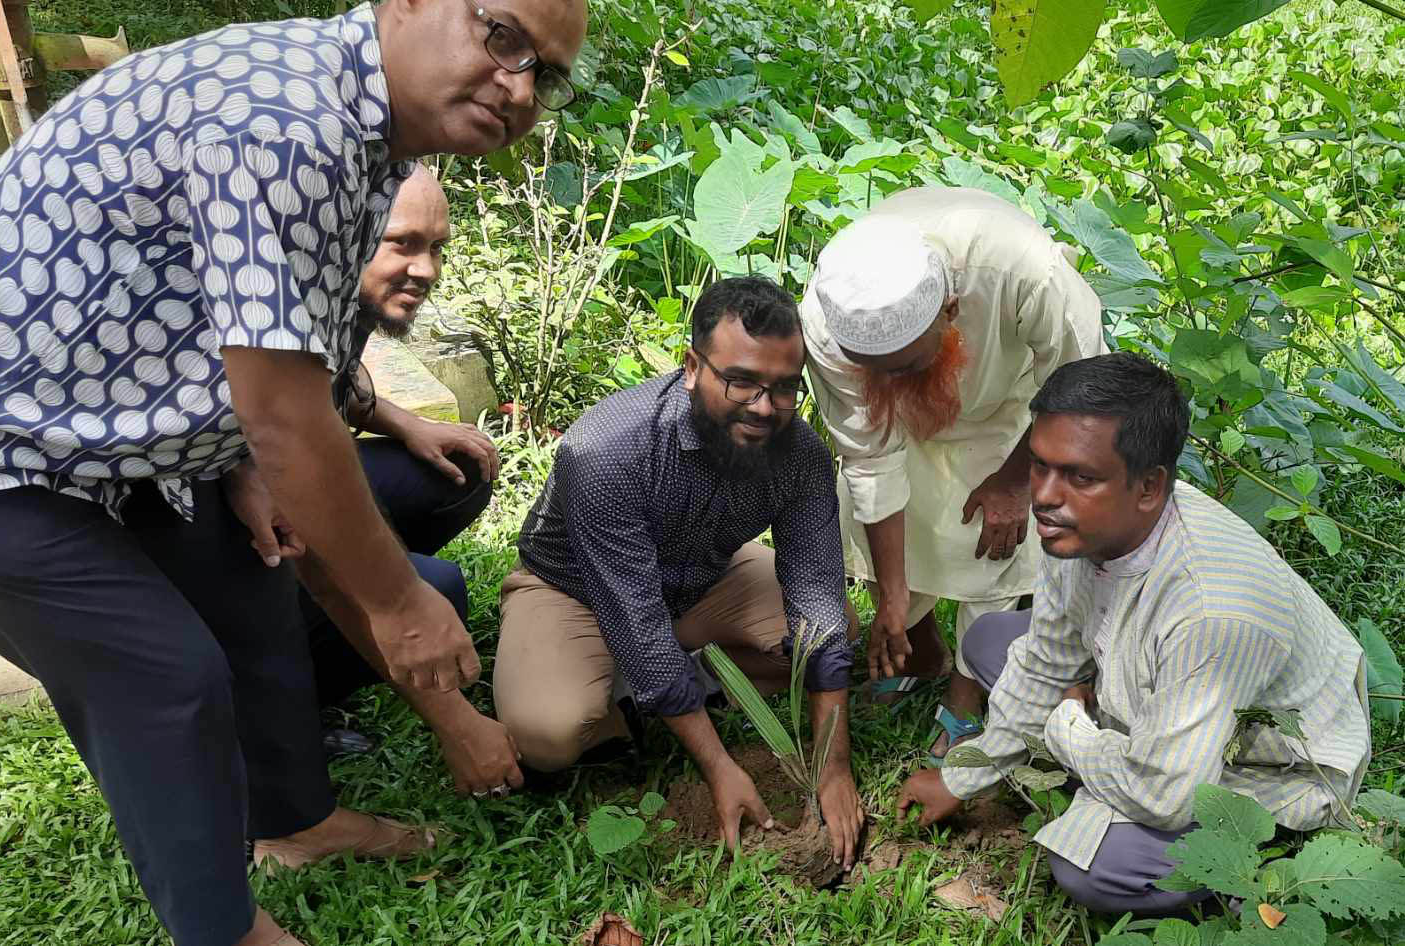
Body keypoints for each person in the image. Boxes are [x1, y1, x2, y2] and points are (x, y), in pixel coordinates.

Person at [0, 0, 586, 943]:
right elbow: (287, 418)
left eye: (547, 71)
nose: (519, 84)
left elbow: (278, 376)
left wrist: (250, 459)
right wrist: (403, 606)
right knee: (162, 675)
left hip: (94, 426)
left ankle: (297, 822)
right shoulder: (289, 122)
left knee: (251, 585)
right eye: (502, 37)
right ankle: (222, 930)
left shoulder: (364, 140)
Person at [896, 353, 1371, 915]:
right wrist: (962, 778)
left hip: (1266, 764)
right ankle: (1105, 751)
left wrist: (1068, 726)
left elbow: (1165, 796)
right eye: (1040, 465)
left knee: (1096, 869)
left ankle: (1255, 860)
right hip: (1160, 693)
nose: (1045, 496)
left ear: (1149, 488)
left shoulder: (1214, 611)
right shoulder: (1076, 522)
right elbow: (1046, 661)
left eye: (1079, 476)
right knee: (994, 639)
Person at [493, 276, 866, 870]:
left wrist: (833, 766)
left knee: (834, 631)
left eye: (784, 388)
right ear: (692, 366)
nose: (764, 407)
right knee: (548, 734)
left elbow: (817, 590)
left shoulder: (801, 454)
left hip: (702, 580)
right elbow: (635, 621)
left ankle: (680, 679)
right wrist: (720, 767)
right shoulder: (605, 452)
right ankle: (647, 692)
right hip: (577, 589)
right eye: (741, 381)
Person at [225, 166, 522, 796]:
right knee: (431, 587)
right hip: (230, 526)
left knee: (457, 468)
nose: (427, 269)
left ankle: (320, 658)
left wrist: (404, 421)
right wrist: (458, 722)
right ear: (341, 234)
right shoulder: (267, 311)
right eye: (403, 243)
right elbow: (319, 549)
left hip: (281, 479)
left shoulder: (336, 295)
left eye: (437, 247)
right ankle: (285, 702)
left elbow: (334, 382)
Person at [801, 186, 1106, 763]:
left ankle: (966, 701)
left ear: (949, 310)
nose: (886, 382)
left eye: (905, 365)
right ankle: (917, 649)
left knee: (996, 549)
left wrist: (1018, 479)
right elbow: (870, 458)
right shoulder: (829, 314)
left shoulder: (1023, 273)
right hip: (901, 434)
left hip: (1012, 414)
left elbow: (1079, 385)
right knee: (892, 535)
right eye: (872, 369)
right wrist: (890, 597)